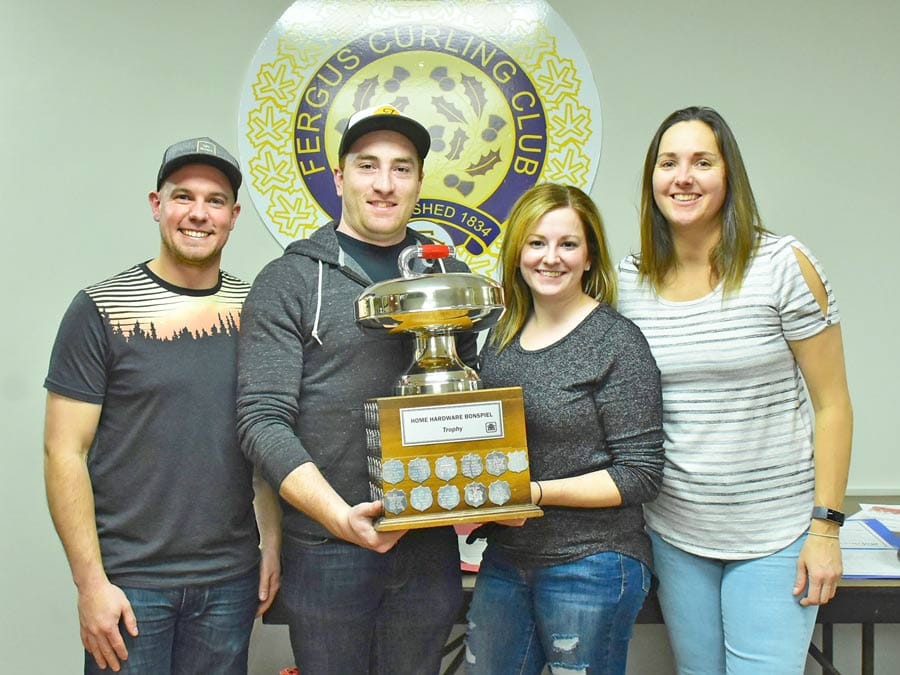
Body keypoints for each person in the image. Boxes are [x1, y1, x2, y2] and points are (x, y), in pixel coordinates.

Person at [236, 104, 478, 674]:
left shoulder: (447, 278)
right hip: (326, 548)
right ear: (340, 179)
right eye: (368, 166)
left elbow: (468, 402)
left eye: (401, 168)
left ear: (419, 182)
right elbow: (260, 420)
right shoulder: (289, 280)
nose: (385, 184)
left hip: (427, 542)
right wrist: (336, 515)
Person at [616, 106, 853, 674]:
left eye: (702, 161)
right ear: (652, 180)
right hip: (677, 533)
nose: (684, 177)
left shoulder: (783, 265)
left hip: (776, 534)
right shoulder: (630, 278)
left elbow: (833, 405)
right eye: (668, 163)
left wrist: (825, 529)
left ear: (729, 175)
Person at [43, 137, 282, 674]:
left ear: (234, 215)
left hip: (229, 580)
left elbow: (264, 437)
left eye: (216, 200)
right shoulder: (100, 308)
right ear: (157, 205)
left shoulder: (257, 311)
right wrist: (90, 584)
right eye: (183, 196)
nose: (198, 213)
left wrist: (272, 542)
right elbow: (64, 453)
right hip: (129, 585)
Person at [463, 183, 665, 675]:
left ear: (590, 256)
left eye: (567, 244)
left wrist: (532, 492)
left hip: (592, 562)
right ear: (517, 253)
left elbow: (641, 475)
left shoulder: (617, 342)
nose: (550, 258)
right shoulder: (502, 335)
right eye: (536, 243)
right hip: (508, 558)